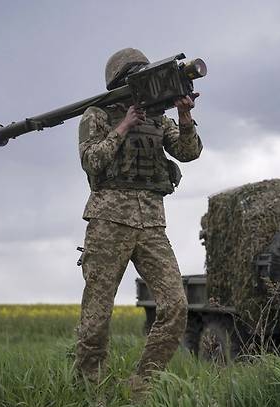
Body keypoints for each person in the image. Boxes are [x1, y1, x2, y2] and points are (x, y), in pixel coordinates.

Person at [74, 48, 203, 386]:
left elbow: (189, 152)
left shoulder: (159, 118)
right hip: (108, 223)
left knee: (176, 307)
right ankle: (89, 391)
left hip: (151, 225)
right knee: (96, 316)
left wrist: (185, 116)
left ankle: (142, 384)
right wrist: (125, 126)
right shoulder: (96, 115)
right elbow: (92, 162)